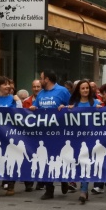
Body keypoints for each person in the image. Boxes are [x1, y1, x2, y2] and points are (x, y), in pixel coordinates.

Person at [29, 69, 71, 199]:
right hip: (45, 133)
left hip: (60, 132)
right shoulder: (41, 94)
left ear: (47, 79)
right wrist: (33, 108)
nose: (40, 80)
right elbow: (36, 107)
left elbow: (73, 106)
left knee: (61, 158)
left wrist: (66, 108)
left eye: (41, 78)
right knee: (47, 159)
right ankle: (49, 188)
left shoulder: (62, 91)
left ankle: (64, 179)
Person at [66, 79, 101, 204]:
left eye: (87, 88)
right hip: (76, 138)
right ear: (79, 90)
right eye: (83, 88)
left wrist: (100, 110)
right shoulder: (73, 104)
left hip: (89, 138)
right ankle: (76, 185)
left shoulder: (95, 103)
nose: (85, 90)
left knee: (85, 162)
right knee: (77, 163)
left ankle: (84, 190)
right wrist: (64, 109)